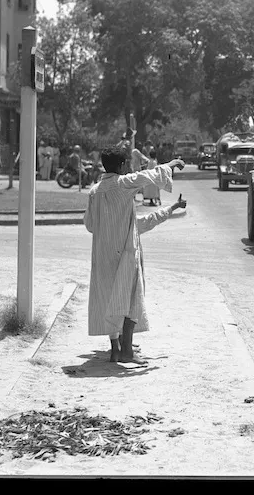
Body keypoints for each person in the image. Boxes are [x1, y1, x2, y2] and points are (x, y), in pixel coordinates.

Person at [83, 145, 186, 364]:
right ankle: (127, 351)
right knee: (131, 298)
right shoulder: (123, 184)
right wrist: (170, 164)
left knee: (109, 298)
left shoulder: (94, 191)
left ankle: (115, 349)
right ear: (121, 166)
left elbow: (90, 225)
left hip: (102, 254)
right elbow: (148, 175)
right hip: (126, 253)